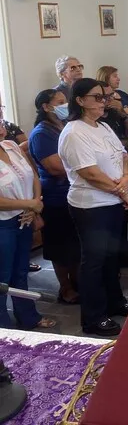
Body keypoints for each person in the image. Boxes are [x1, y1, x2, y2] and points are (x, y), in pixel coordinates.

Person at [58, 78, 128, 336]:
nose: (104, 101)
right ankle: (93, 317)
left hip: (113, 200)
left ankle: (115, 301)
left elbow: (123, 155)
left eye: (104, 96)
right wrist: (123, 191)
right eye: (97, 97)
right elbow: (89, 173)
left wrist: (126, 180)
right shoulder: (73, 132)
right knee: (94, 260)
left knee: (112, 257)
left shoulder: (102, 126)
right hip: (91, 205)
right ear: (80, 101)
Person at [0, 120, 57, 331]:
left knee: (20, 271)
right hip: (3, 223)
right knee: (2, 277)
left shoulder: (11, 146)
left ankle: (28, 317)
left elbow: (32, 174)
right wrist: (29, 203)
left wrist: (34, 204)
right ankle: (3, 330)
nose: (1, 126)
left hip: (24, 217)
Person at [28, 90, 80, 304]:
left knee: (75, 243)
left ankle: (78, 282)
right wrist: (83, 167)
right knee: (60, 246)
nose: (65, 105)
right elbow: (55, 167)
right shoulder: (42, 133)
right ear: (46, 107)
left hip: (72, 192)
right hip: (55, 196)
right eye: (60, 102)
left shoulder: (65, 126)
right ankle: (65, 288)